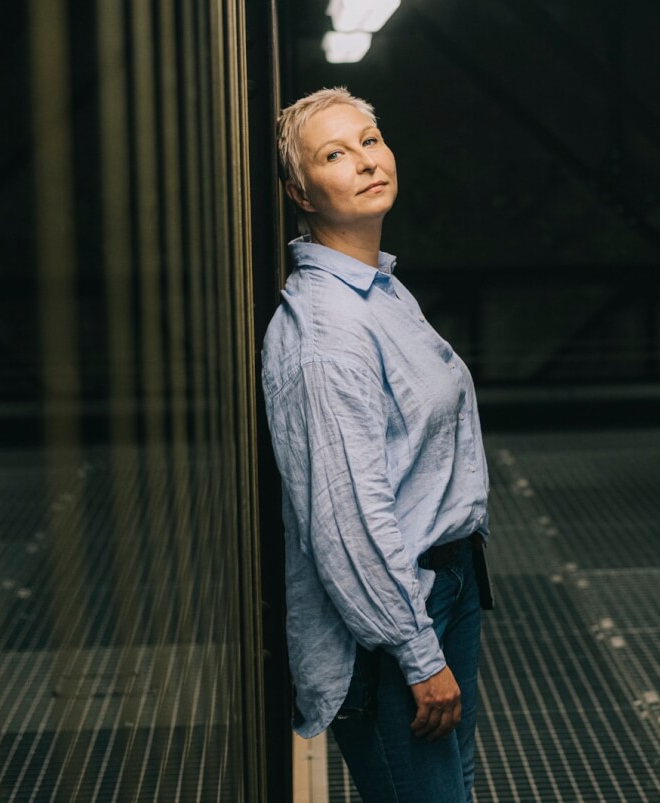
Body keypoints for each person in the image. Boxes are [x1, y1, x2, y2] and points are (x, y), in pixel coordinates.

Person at [262, 86, 492, 803]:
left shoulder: (381, 290)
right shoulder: (327, 338)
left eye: (369, 140)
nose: (364, 161)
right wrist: (418, 656)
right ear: (300, 190)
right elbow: (347, 524)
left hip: (442, 589)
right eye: (334, 153)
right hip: (395, 630)